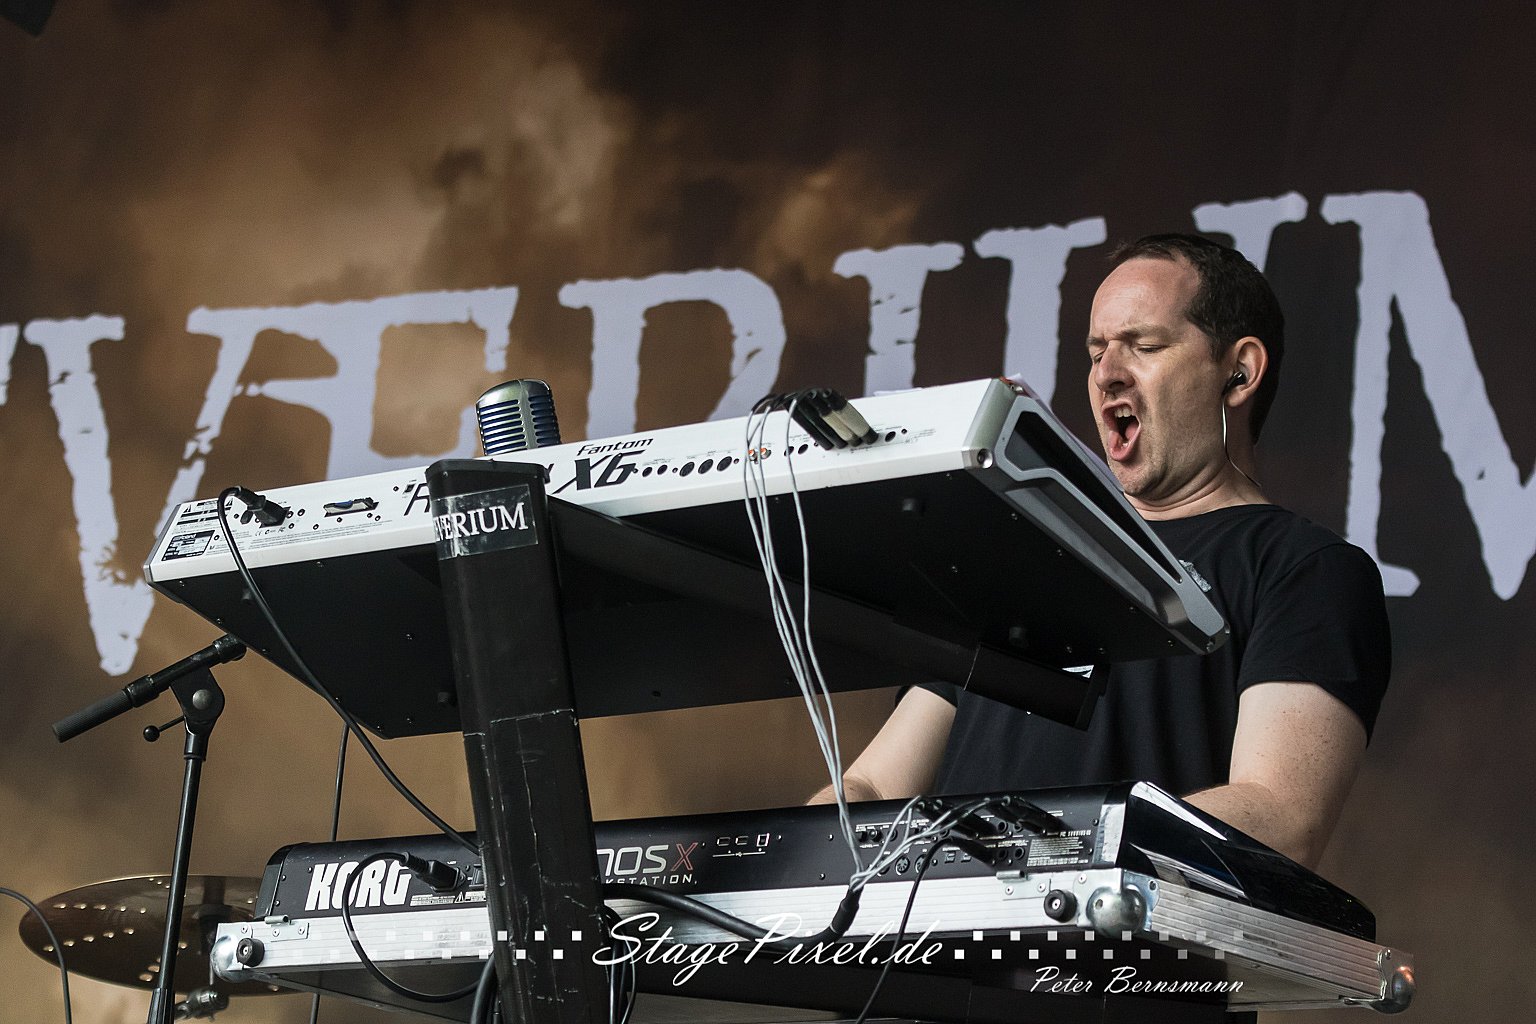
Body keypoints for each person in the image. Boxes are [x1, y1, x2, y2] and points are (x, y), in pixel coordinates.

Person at [812, 233, 1390, 872]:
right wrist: (785, 856)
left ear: (1240, 372)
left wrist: (1039, 852)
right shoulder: (1016, 563)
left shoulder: (1304, 569)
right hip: (937, 932)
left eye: (1145, 346)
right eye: (1096, 351)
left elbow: (1279, 816)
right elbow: (874, 785)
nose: (1107, 372)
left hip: (1128, 935)